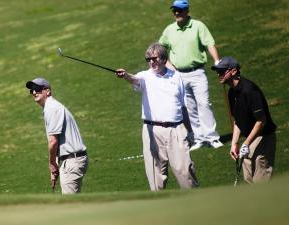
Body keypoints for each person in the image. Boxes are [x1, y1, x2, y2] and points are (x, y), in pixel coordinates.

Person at [115, 42, 198, 191]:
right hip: (152, 130)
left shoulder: (177, 77)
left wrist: (190, 131)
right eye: (148, 59)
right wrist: (125, 75)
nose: (151, 62)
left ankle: (196, 204)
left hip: (176, 130)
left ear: (164, 59)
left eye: (155, 58)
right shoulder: (145, 76)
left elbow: (183, 107)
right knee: (156, 177)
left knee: (186, 172)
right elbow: (135, 79)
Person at [158, 0, 223, 151]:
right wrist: (169, 65)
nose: (176, 13)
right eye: (174, 10)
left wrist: (217, 60)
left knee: (204, 104)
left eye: (179, 10)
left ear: (186, 11)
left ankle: (212, 137)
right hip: (179, 75)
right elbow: (160, 49)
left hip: (197, 72)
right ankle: (199, 138)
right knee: (189, 107)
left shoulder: (198, 26)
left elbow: (209, 43)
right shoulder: (169, 30)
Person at [212, 57, 277, 183]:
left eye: (222, 71)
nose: (219, 74)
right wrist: (234, 143)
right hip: (249, 139)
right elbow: (238, 120)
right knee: (248, 179)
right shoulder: (232, 93)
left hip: (263, 137)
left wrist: (246, 143)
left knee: (261, 181)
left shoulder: (250, 90)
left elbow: (261, 121)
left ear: (234, 71)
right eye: (218, 72)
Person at [25, 77, 89, 194]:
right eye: (32, 90)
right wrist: (54, 168)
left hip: (72, 160)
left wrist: (52, 164)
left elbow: (53, 141)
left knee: (71, 206)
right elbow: (58, 140)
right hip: (70, 159)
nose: (34, 92)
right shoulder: (51, 107)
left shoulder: (52, 108)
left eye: (38, 89)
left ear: (47, 91)